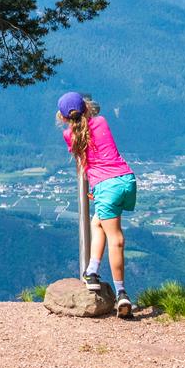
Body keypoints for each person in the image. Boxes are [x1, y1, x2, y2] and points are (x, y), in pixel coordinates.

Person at [56, 90, 137, 317]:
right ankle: (91, 272)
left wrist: (97, 188)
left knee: (116, 239)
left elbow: (85, 162)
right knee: (97, 223)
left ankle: (121, 293)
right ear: (86, 107)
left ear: (63, 117)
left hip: (106, 186)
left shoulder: (69, 136)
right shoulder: (101, 121)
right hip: (126, 180)